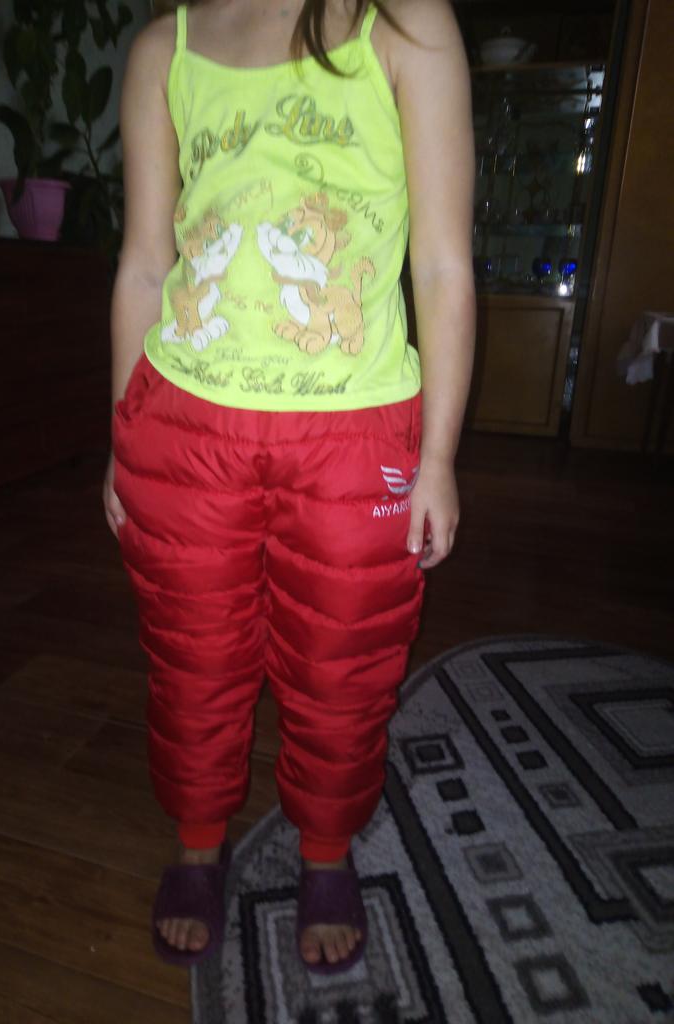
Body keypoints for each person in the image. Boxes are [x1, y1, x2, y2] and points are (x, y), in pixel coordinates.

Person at [103, 0, 475, 974]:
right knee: (192, 657)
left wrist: (437, 457)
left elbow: (442, 264)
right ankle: (198, 841)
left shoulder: (406, 24)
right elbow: (143, 265)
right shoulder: (163, 49)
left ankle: (324, 850)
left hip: (354, 438)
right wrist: (123, 433)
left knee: (344, 667)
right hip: (182, 430)